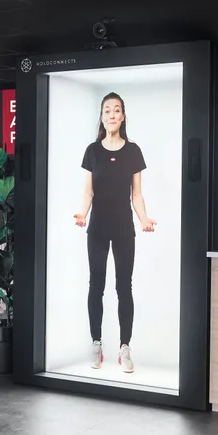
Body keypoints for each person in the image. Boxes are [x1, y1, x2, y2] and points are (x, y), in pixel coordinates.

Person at [73, 93, 156, 374]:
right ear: (102, 116)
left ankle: (125, 347)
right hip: (97, 226)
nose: (111, 114)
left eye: (116, 110)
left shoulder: (133, 151)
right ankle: (96, 343)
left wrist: (144, 218)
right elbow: (88, 191)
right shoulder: (92, 151)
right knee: (96, 284)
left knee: (124, 287)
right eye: (107, 110)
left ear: (122, 116)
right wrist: (82, 213)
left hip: (123, 227)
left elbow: (137, 194)